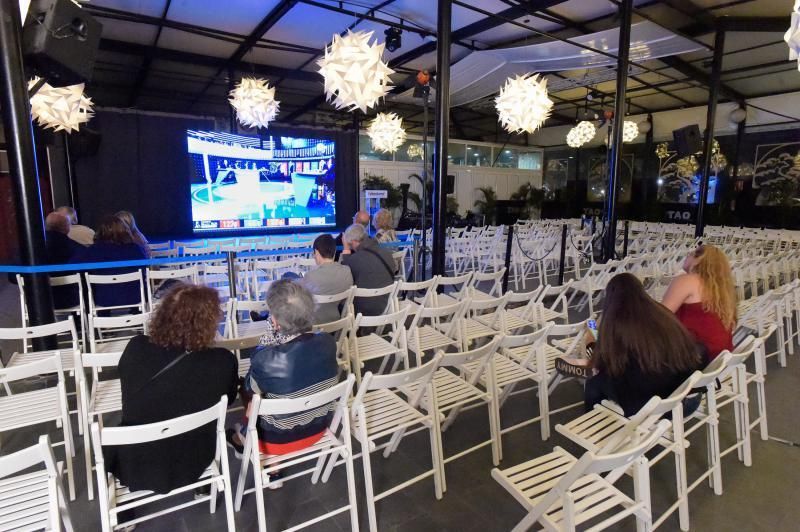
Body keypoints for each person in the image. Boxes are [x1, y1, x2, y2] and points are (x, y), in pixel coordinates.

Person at [108, 283, 238, 494]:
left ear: (164, 314)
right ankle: (204, 486)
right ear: (208, 324)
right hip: (196, 458)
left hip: (137, 460)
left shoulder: (136, 348)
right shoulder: (223, 361)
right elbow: (230, 398)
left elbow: (128, 386)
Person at [226, 280, 338, 463]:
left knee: (248, 392)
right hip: (319, 429)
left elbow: (248, 388)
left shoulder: (265, 358)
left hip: (276, 442)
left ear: (275, 322)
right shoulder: (328, 342)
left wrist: (267, 343)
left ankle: (261, 455)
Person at [585, 273, 703, 417]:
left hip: (654, 408)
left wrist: (591, 336)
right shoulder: (662, 313)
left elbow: (602, 363)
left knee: (594, 383)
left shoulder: (617, 324)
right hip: (684, 399)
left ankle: (596, 427)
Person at [662, 244, 736, 362]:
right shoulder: (722, 289)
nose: (687, 256)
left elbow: (660, 316)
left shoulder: (687, 280)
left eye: (691, 253)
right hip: (719, 356)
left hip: (695, 356)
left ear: (698, 260)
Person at [71, 214, 147, 309]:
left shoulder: (93, 251)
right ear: (125, 230)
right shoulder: (136, 249)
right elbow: (144, 270)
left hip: (103, 300)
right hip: (135, 298)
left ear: (101, 231)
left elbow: (74, 266)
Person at [341, 223, 396, 316]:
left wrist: (346, 249)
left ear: (353, 242)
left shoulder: (355, 259)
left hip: (363, 311)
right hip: (387, 305)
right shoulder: (386, 253)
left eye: (349, 244)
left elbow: (344, 274)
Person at [302, 234, 354, 324]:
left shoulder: (310, 276)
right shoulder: (347, 271)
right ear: (334, 252)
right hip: (339, 323)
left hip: (314, 326)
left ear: (316, 253)